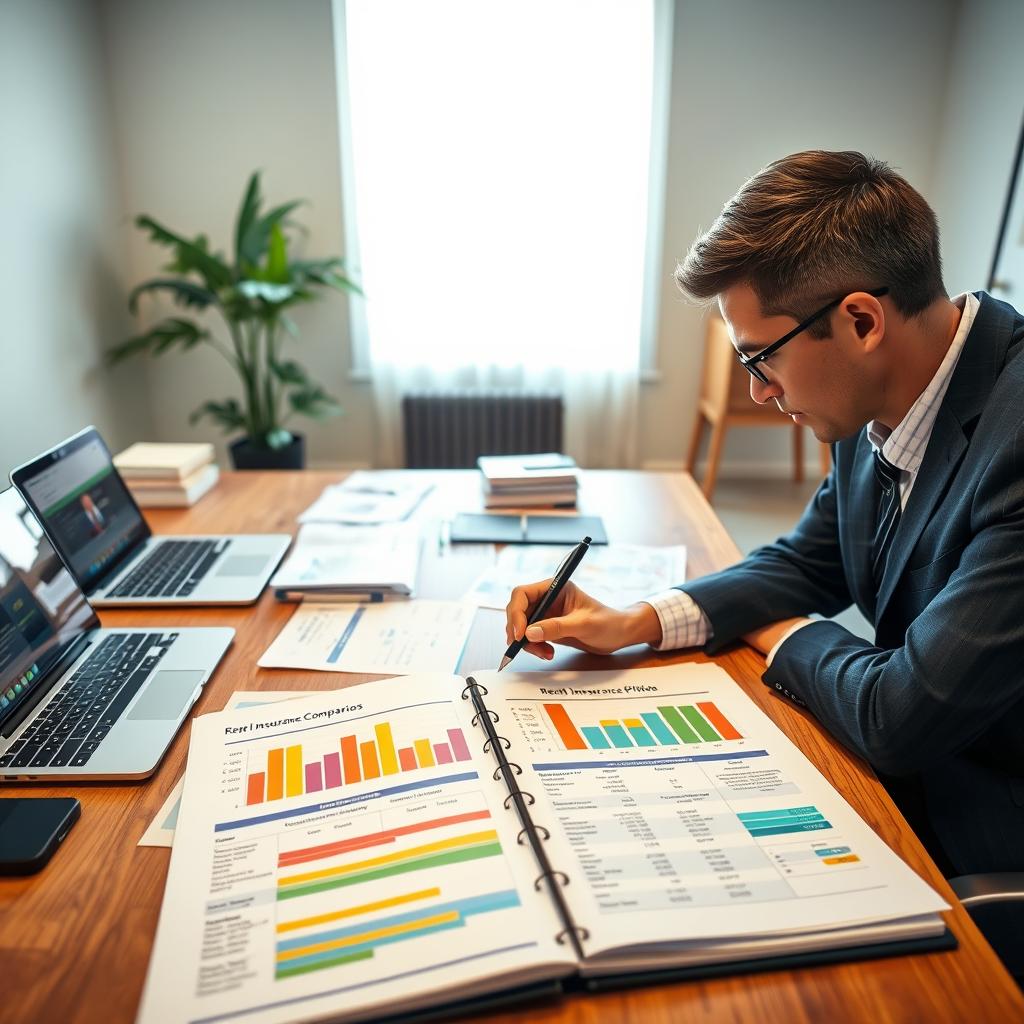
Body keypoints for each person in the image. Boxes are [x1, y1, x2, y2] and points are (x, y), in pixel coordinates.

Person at [505, 150, 1024, 890]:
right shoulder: (877, 394)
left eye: (762, 359)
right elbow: (809, 560)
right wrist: (636, 622)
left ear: (860, 321)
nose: (755, 393)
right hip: (910, 774)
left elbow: (899, 716)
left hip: (983, 824)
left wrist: (783, 632)